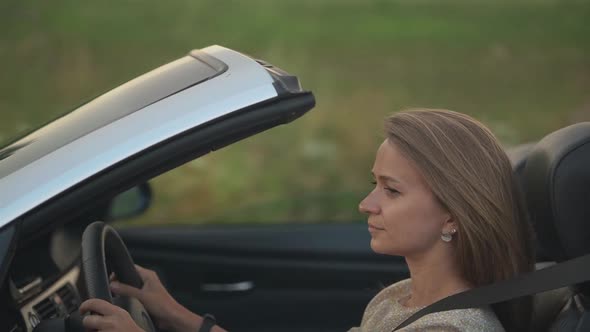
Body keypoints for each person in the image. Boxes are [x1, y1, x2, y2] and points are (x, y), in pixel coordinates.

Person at [79, 109, 535, 332]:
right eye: (374, 184)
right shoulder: (402, 299)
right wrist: (176, 314)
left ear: (453, 214)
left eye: (390, 190)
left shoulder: (447, 329)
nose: (366, 203)